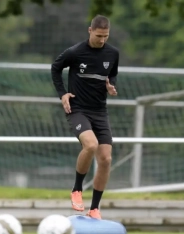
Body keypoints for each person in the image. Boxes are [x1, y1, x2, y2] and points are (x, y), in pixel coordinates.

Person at [51, 15, 119, 219]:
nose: (102, 40)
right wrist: (62, 93)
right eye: (99, 36)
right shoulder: (75, 52)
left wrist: (111, 85)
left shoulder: (113, 53)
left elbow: (112, 74)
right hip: (78, 109)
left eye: (106, 36)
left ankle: (95, 209)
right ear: (90, 31)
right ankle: (77, 189)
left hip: (100, 111)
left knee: (106, 159)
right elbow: (55, 68)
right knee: (90, 145)